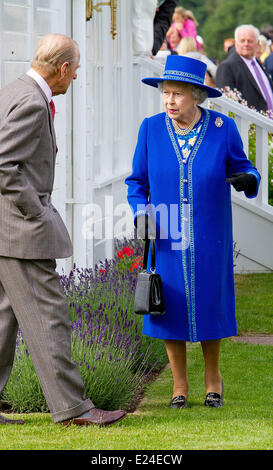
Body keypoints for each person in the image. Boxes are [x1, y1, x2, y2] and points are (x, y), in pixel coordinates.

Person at [0, 33, 126, 427]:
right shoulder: (34, 102)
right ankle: (74, 409)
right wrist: (35, 211)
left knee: (3, 320)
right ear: (63, 68)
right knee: (50, 317)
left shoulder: (13, 89)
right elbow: (5, 163)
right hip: (21, 233)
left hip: (7, 231)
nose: (74, 80)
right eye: (76, 73)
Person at [125, 55, 260, 409]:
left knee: (209, 301)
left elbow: (245, 168)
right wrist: (142, 212)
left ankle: (213, 379)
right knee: (169, 306)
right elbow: (136, 182)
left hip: (210, 231)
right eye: (166, 93)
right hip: (167, 234)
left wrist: (249, 180)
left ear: (197, 96)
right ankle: (179, 385)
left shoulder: (222, 128)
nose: (169, 101)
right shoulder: (151, 129)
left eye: (177, 94)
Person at [216, 24, 273, 112]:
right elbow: (225, 105)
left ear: (257, 44)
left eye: (250, 41)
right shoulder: (227, 67)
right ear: (236, 43)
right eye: (242, 41)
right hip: (249, 123)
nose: (246, 44)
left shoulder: (258, 63)